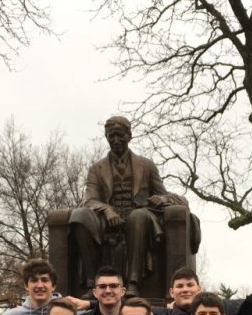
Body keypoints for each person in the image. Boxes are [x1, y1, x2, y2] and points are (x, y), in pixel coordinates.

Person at [68, 115, 194, 295]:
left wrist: (163, 199)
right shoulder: (96, 169)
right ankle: (93, 284)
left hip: (138, 215)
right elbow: (90, 200)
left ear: (129, 136)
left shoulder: (146, 165)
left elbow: (166, 195)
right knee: (80, 216)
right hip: (106, 219)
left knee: (138, 216)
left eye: (120, 135)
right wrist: (107, 210)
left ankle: (133, 283)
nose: (116, 140)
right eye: (111, 136)